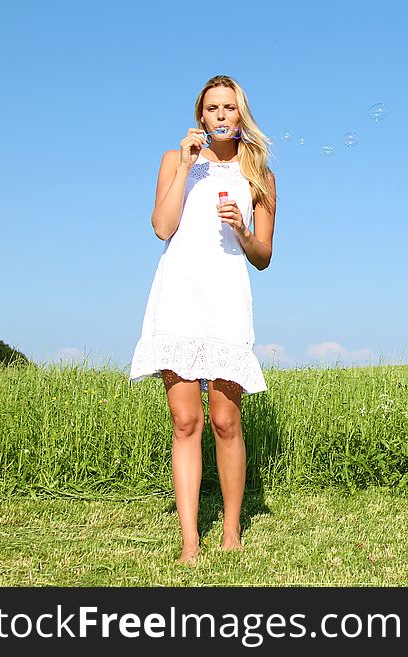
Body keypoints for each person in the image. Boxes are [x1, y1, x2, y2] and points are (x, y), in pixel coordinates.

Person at [128, 75, 276, 564]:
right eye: (211, 107)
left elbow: (263, 255)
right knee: (185, 419)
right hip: (178, 297)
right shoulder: (176, 161)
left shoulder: (259, 173)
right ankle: (190, 540)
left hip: (226, 299)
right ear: (200, 115)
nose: (219, 115)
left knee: (225, 419)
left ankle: (231, 528)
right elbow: (161, 226)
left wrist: (241, 229)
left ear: (240, 115)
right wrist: (188, 165)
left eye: (229, 108)